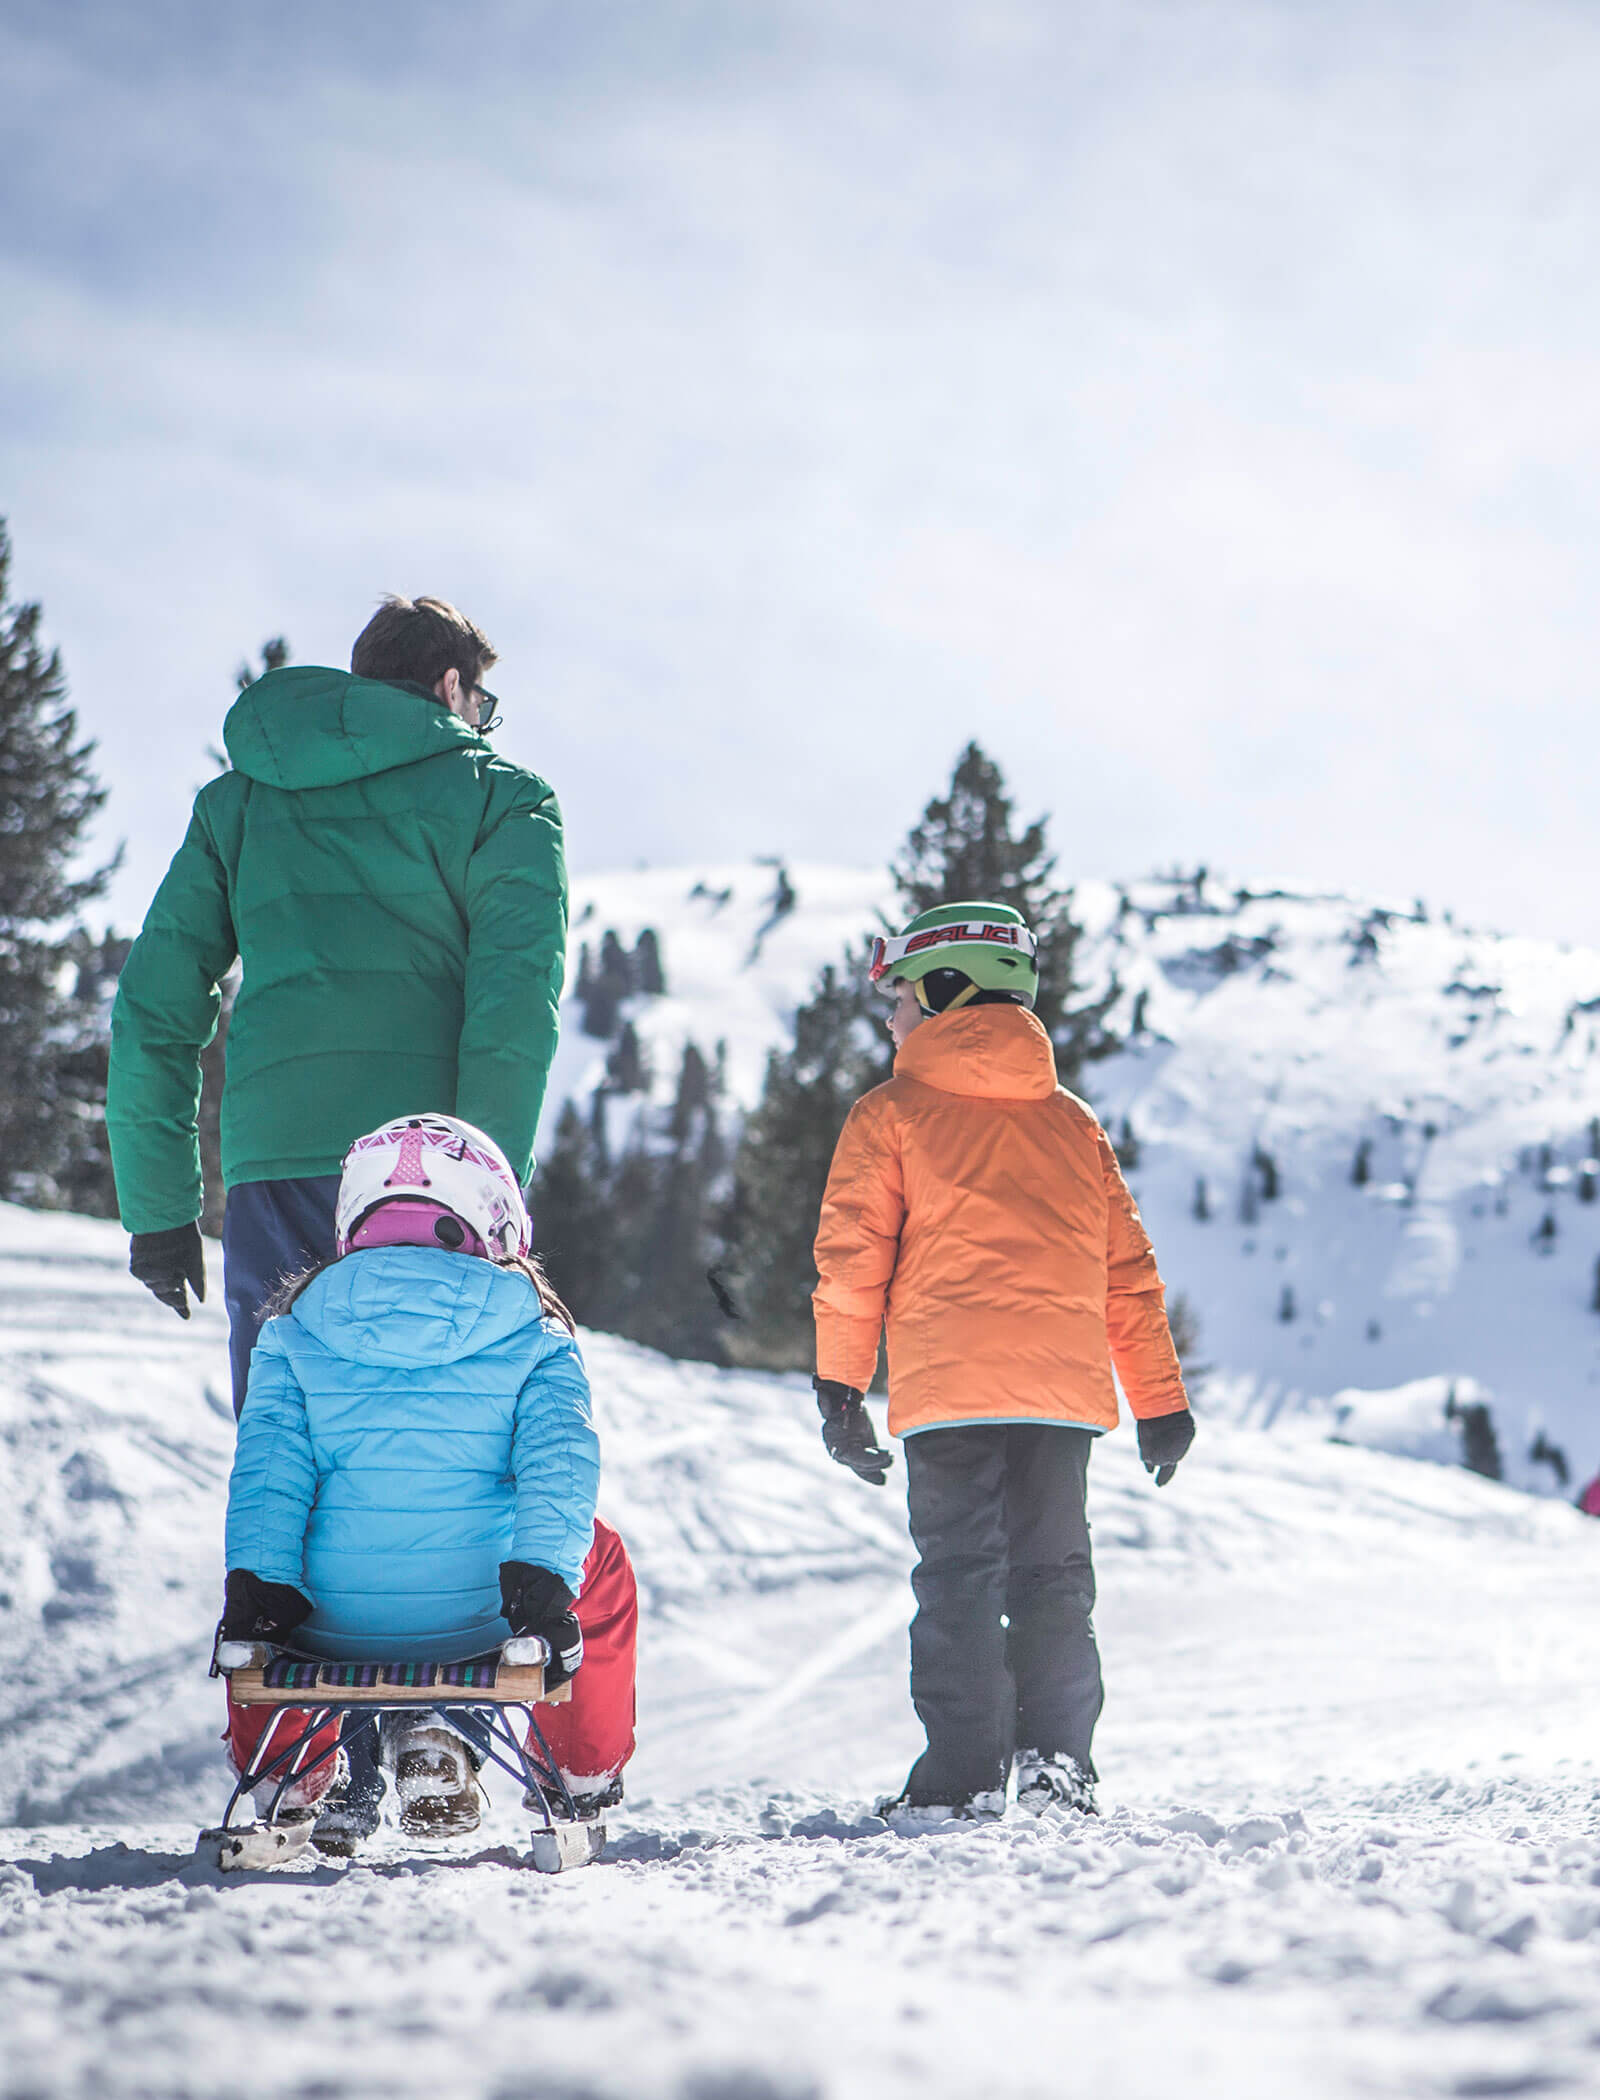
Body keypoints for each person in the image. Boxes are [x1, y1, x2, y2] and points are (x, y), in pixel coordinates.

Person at [106, 594, 568, 1419]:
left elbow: (153, 1007)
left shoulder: (240, 804)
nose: (483, 722)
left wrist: (160, 1211)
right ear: (451, 686)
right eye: (482, 704)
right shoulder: (502, 799)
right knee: (429, 1457)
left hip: (275, 1172)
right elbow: (514, 1014)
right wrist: (489, 1194)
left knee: (284, 1448)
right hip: (431, 1179)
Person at [810, 902, 1195, 1822]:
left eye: (901, 999)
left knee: (959, 1580)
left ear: (948, 992)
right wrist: (1159, 1402)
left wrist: (841, 1387)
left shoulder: (890, 1114)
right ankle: (1059, 1766)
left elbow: (853, 1260)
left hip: (950, 1396)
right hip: (1060, 1400)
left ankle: (962, 1778)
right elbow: (1128, 1274)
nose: (891, 1020)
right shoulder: (1073, 1124)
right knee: (1054, 1578)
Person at [218, 1113, 637, 1853]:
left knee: (261, 1573)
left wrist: (257, 1604)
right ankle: (578, 1775)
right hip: (484, 1619)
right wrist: (542, 1592)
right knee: (599, 1556)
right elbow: (558, 1471)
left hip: (329, 1627)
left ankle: (287, 1774)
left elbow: (267, 1484)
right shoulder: (534, 1334)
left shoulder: (292, 1331)